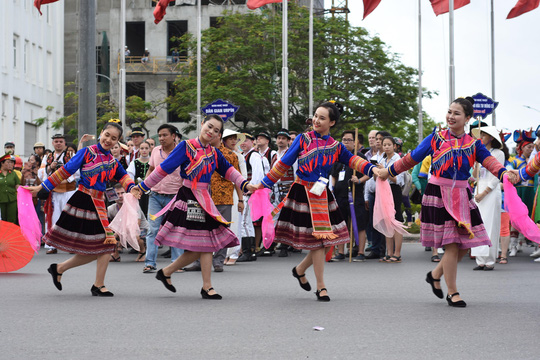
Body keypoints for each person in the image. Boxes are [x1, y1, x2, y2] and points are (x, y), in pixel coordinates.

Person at [378, 97, 514, 307]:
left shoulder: (474, 144)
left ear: (468, 118)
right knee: (452, 245)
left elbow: (490, 162)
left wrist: (506, 173)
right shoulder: (436, 138)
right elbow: (412, 158)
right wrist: (388, 172)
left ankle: (435, 274)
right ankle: (453, 292)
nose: (451, 116)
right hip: (439, 194)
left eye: (457, 113)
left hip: (461, 195)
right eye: (449, 112)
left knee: (462, 246)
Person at [253, 102, 379, 301]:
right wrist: (263, 184)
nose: (316, 120)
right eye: (315, 116)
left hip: (322, 195)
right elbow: (284, 163)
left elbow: (353, 160)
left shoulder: (335, 146)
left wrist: (372, 169)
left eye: (322, 118)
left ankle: (300, 269)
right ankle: (321, 286)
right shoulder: (303, 139)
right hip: (303, 193)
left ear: (332, 122)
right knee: (318, 243)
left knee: (328, 242)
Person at [131, 115, 250, 299]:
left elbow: (229, 171)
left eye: (216, 130)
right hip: (189, 198)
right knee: (204, 244)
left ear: (218, 135)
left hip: (205, 198)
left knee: (204, 244)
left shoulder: (214, 152)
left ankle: (176, 275)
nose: (211, 132)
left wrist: (246, 185)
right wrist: (143, 186)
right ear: (202, 124)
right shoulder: (186, 147)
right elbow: (163, 169)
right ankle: (203, 285)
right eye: (209, 126)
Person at [25, 122, 136, 297]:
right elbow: (65, 171)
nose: (108, 140)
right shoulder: (87, 152)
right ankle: (96, 284)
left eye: (114, 138)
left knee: (104, 246)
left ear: (118, 141)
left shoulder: (112, 161)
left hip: (99, 202)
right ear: (101, 133)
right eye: (107, 135)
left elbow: (123, 177)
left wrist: (133, 187)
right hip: (84, 200)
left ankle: (62, 269)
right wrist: (42, 188)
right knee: (106, 244)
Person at [184, 130, 244, 272]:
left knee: (222, 230)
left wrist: (241, 199)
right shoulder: (200, 153)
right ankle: (198, 261)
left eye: (215, 134)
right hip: (202, 196)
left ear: (219, 136)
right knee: (200, 230)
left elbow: (237, 178)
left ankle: (218, 261)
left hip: (223, 197)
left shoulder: (231, 155)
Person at [142, 124, 184, 273]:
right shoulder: (155, 151)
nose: (161, 138)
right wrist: (144, 186)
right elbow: (152, 169)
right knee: (153, 230)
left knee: (175, 230)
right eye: (159, 135)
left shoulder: (181, 152)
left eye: (165, 135)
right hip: (155, 196)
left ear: (173, 136)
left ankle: (176, 264)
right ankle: (150, 263)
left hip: (175, 197)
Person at [330, 130, 369, 262]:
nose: (346, 142)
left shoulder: (359, 157)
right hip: (340, 195)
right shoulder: (338, 157)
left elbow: (369, 173)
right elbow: (334, 176)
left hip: (355, 194)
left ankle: (361, 252)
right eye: (344, 140)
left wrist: (359, 180)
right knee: (341, 224)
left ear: (355, 142)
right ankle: (341, 252)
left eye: (349, 140)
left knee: (359, 224)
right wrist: (333, 189)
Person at [471, 126, 505, 271]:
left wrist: (484, 193)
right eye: (480, 135)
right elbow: (473, 176)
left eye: (484, 135)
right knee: (478, 225)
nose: (481, 138)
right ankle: (480, 260)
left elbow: (498, 176)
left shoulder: (498, 154)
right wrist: (476, 162)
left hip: (490, 192)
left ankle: (490, 261)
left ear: (491, 138)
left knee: (491, 226)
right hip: (478, 190)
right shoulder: (478, 154)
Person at [43, 134, 79, 255]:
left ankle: (71, 245)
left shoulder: (71, 155)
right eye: (56, 141)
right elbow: (40, 172)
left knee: (70, 217)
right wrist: (49, 167)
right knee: (54, 218)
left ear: (65, 143)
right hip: (54, 192)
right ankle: (52, 245)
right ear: (52, 143)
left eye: (61, 141)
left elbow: (78, 171)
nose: (58, 143)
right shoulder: (47, 157)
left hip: (68, 190)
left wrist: (65, 172)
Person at [378, 136, 405, 263]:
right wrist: (378, 171)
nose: (387, 147)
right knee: (386, 220)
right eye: (385, 145)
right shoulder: (382, 158)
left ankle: (397, 253)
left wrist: (386, 171)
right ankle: (389, 253)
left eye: (389, 144)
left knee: (396, 220)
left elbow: (398, 180)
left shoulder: (397, 159)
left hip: (394, 190)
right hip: (384, 190)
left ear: (394, 146)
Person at [272, 129, 297, 258]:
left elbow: (296, 173)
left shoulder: (292, 154)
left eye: (283, 138)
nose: (280, 140)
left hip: (287, 189)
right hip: (275, 191)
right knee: (273, 217)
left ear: (288, 141)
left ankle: (284, 246)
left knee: (286, 218)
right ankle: (272, 244)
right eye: (279, 138)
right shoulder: (274, 155)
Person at [107, 183, 148, 262]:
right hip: (122, 232)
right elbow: (106, 225)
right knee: (108, 234)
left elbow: (136, 225)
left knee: (136, 235)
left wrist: (117, 234)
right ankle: (115, 255)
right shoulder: (111, 209)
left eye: (122, 193)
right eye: (117, 194)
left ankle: (142, 252)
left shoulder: (134, 206)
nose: (120, 196)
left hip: (139, 230)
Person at [126, 141, 151, 216]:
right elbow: (130, 177)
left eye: (146, 148)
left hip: (151, 191)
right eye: (142, 148)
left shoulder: (153, 162)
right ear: (139, 150)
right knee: (138, 211)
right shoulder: (134, 163)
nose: (144, 150)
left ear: (150, 149)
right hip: (138, 190)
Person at [0, 154, 19, 224]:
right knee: (2, 220)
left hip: (12, 200)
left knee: (12, 220)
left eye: (11, 162)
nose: (10, 164)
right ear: (2, 163)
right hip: (1, 201)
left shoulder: (13, 174)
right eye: (8, 162)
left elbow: (18, 187)